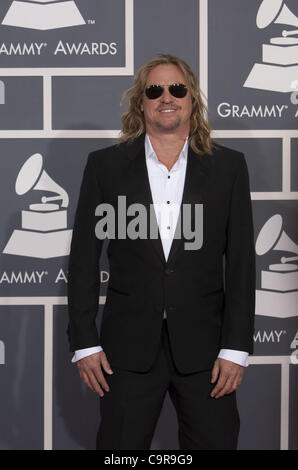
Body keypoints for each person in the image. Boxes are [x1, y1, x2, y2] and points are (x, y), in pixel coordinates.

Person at [67, 54, 256, 450]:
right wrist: (84, 340)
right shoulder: (105, 167)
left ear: (191, 100)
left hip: (207, 352)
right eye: (154, 90)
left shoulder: (228, 167)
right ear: (141, 102)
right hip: (126, 350)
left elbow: (241, 265)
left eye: (177, 88)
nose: (166, 97)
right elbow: (84, 259)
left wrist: (236, 347)